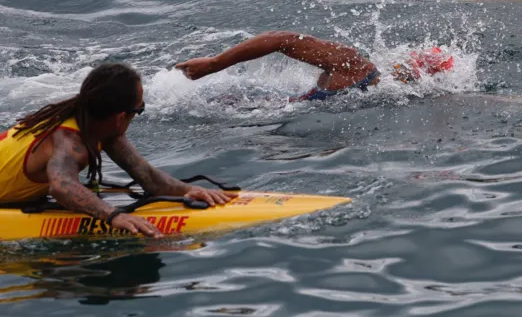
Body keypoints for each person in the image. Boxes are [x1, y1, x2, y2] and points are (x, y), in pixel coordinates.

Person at [0, 63, 232, 237]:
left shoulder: (100, 129)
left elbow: (149, 178)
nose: (136, 115)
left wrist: (188, 190)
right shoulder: (70, 141)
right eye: (139, 110)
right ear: (121, 117)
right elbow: (62, 186)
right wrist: (113, 215)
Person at [175, 31, 454, 101]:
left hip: (236, 106)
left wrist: (213, 65)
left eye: (412, 55)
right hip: (257, 107)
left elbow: (280, 40)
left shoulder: (358, 67)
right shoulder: (370, 85)